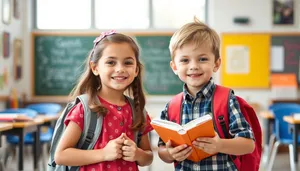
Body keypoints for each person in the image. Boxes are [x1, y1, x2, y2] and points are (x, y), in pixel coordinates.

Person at [157, 18, 255, 171]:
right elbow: (162, 150)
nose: (194, 66)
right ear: (174, 66)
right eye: (185, 60)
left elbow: (248, 145)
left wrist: (220, 145)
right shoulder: (171, 107)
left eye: (202, 59)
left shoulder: (227, 100)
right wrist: (170, 153)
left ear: (216, 64)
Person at [54, 30, 153, 171]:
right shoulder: (85, 109)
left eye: (128, 63)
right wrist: (104, 153)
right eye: (111, 62)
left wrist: (137, 154)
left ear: (136, 70)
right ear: (95, 68)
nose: (120, 69)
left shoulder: (138, 111)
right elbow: (61, 156)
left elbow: (148, 157)